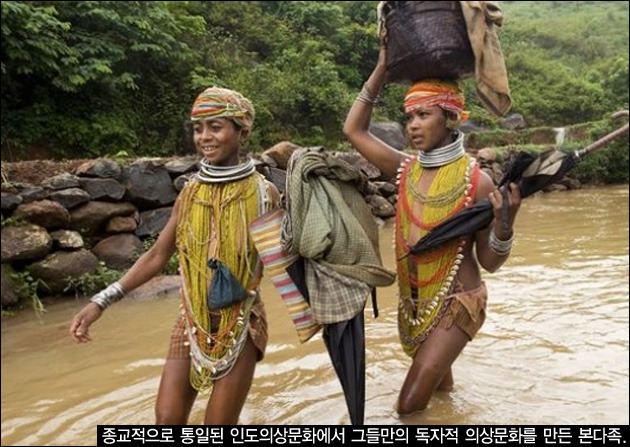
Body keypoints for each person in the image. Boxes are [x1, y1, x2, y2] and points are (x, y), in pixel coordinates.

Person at [69, 87, 279, 425]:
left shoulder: (264, 194)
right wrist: (101, 301)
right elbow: (156, 256)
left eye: (216, 127)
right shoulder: (191, 192)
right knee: (166, 422)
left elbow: (284, 262)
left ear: (242, 131)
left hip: (240, 321)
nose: (204, 137)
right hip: (191, 318)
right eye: (198, 128)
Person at [343, 46, 521, 416]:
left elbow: (489, 262)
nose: (412, 125)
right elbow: (353, 129)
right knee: (442, 397)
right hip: (418, 302)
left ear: (450, 117)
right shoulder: (405, 169)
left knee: (408, 406)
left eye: (424, 115)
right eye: (409, 116)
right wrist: (380, 69)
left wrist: (506, 225)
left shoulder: (477, 181)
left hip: (458, 304)